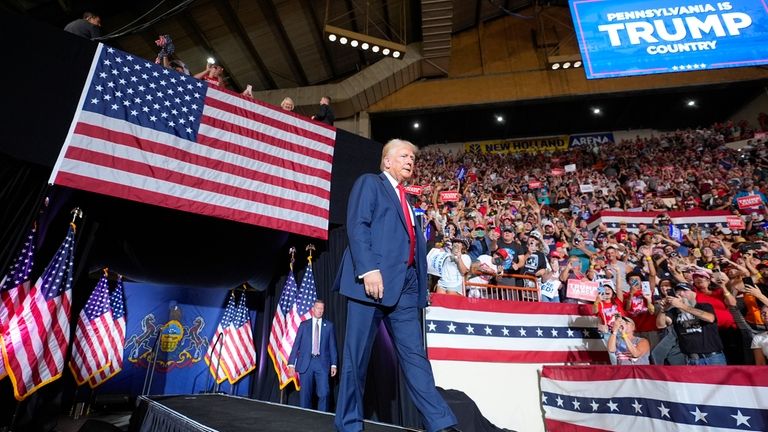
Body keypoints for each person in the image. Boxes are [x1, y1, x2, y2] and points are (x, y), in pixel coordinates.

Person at [334, 139, 459, 432]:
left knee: (416, 358)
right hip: (371, 285)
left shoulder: (408, 201)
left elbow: (410, 245)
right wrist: (368, 270)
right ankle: (349, 425)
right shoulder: (370, 183)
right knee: (357, 358)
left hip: (405, 288)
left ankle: (441, 424)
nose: (410, 161)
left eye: (413, 158)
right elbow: (358, 225)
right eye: (404, 156)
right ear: (387, 161)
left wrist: (420, 285)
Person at [656, 282, 726, 365]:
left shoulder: (704, 306)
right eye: (677, 291)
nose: (681, 294)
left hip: (712, 358)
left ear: (694, 293)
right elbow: (660, 325)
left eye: (685, 290)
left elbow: (710, 318)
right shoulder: (674, 311)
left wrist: (682, 306)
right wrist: (663, 310)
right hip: (690, 359)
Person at [287, 300, 338, 412]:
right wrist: (291, 364)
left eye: (322, 308)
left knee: (324, 393)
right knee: (305, 395)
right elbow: (296, 345)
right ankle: (305, 419)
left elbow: (332, 346)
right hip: (306, 364)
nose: (319, 311)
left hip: (322, 363)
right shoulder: (304, 325)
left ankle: (321, 417)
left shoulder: (329, 326)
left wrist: (334, 364)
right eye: (317, 308)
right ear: (313, 309)